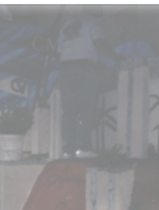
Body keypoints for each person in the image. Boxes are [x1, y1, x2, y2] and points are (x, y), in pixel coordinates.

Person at [57, 7, 120, 158]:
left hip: (65, 68)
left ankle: (68, 150)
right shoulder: (93, 23)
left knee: (69, 111)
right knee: (87, 107)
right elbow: (99, 43)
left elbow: (59, 50)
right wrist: (116, 57)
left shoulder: (67, 25)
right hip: (84, 68)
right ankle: (83, 148)